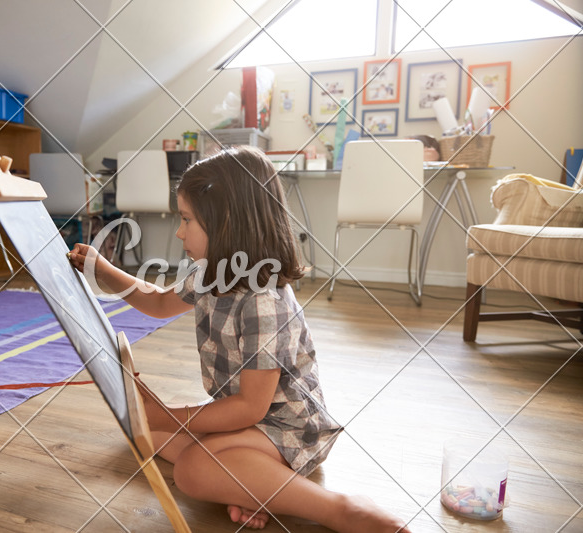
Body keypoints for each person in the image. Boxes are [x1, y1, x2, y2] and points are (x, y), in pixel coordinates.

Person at [68, 146, 412, 532]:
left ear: (227, 223)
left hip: (288, 429)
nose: (179, 232)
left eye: (187, 220)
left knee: (191, 469)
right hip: (245, 419)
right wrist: (103, 269)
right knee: (150, 434)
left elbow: (250, 407)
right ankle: (251, 486)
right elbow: (161, 302)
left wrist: (167, 414)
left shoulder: (264, 302)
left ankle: (341, 509)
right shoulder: (209, 272)